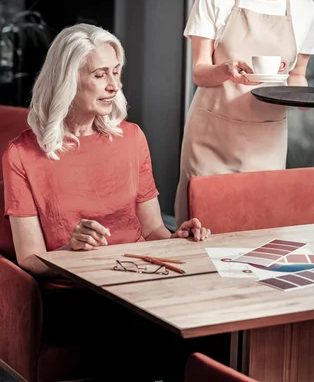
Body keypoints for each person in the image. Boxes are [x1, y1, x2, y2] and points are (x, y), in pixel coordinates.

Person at [2, 22, 227, 381]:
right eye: (100, 74)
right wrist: (71, 249)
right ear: (68, 80)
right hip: (76, 296)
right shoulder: (22, 154)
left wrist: (177, 240)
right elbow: (29, 257)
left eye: (117, 73)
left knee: (216, 329)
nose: (114, 85)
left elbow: (153, 228)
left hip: (142, 283)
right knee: (151, 338)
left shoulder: (132, 138)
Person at [175, 0, 314, 226]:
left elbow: (298, 77)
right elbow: (200, 72)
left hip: (265, 145)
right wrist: (225, 70)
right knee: (199, 234)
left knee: (257, 242)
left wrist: (308, 101)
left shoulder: (307, 11)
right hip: (211, 140)